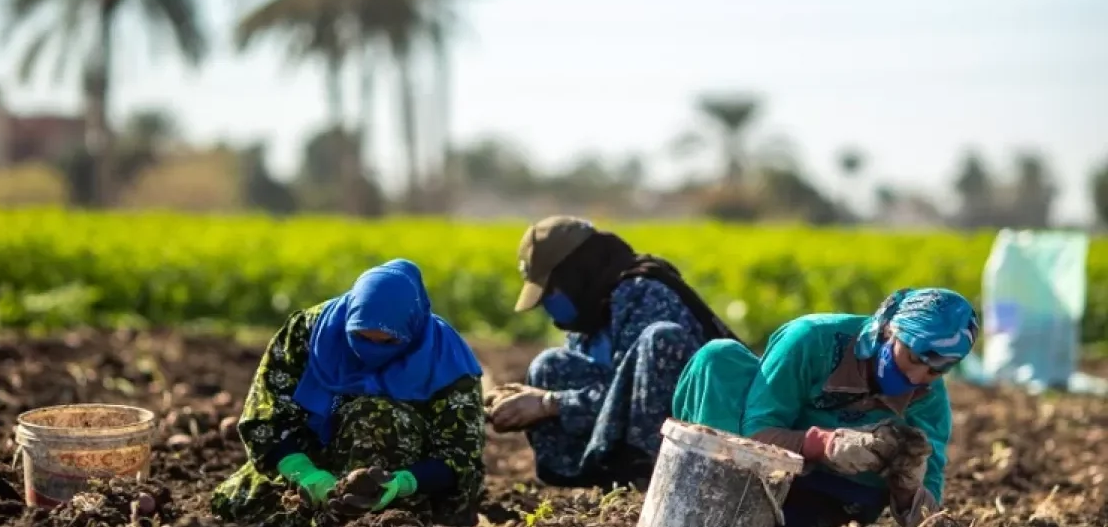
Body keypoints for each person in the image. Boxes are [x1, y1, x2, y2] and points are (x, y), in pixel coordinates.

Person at [210, 259, 486, 527]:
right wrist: (305, 474)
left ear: (412, 330)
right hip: (308, 468)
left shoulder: (445, 358)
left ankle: (386, 516)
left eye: (389, 342)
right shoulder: (306, 334)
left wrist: (403, 483)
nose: (372, 351)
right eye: (361, 337)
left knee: (376, 414)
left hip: (410, 481)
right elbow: (265, 419)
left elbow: (461, 453)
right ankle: (324, 506)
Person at [672, 287, 980, 527]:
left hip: (836, 496)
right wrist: (824, 444)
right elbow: (756, 433)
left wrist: (907, 487)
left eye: (935, 371)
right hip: (761, 472)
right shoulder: (812, 341)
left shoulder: (929, 400)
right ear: (890, 331)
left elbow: (928, 514)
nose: (916, 377)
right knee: (719, 361)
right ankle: (705, 494)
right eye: (913, 358)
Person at [487, 215, 742, 488]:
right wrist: (523, 402)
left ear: (576, 271)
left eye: (551, 290)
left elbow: (636, 395)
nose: (548, 303)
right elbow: (607, 389)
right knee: (549, 366)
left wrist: (549, 404)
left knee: (660, 338)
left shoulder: (645, 295)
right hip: (626, 430)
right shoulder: (592, 310)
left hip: (697, 440)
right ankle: (597, 477)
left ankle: (647, 476)